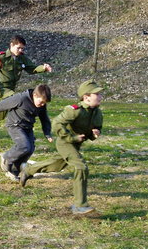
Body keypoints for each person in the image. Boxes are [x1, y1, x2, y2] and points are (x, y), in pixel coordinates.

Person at [18, 80, 104, 215]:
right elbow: (57, 124)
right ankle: (80, 205)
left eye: (100, 93)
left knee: (58, 164)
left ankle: (28, 171)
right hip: (65, 142)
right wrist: (71, 138)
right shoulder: (74, 110)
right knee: (80, 167)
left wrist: (95, 133)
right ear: (86, 97)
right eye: (96, 94)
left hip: (76, 144)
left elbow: (95, 129)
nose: (100, 96)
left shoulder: (97, 113)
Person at [0, 35, 52, 131]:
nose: (21, 50)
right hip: (3, 89)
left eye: (22, 48)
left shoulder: (22, 58)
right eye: (18, 48)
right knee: (19, 100)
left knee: (0, 115)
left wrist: (43, 68)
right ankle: (21, 125)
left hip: (12, 88)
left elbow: (32, 69)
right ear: (11, 45)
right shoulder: (2, 57)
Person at [0, 84, 53, 181]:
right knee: (24, 146)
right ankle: (6, 157)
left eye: (44, 103)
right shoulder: (21, 98)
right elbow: (5, 103)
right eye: (41, 102)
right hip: (14, 125)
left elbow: (44, 118)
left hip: (27, 127)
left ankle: (13, 172)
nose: (42, 104)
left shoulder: (42, 105)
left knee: (30, 149)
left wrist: (47, 133)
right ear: (35, 95)